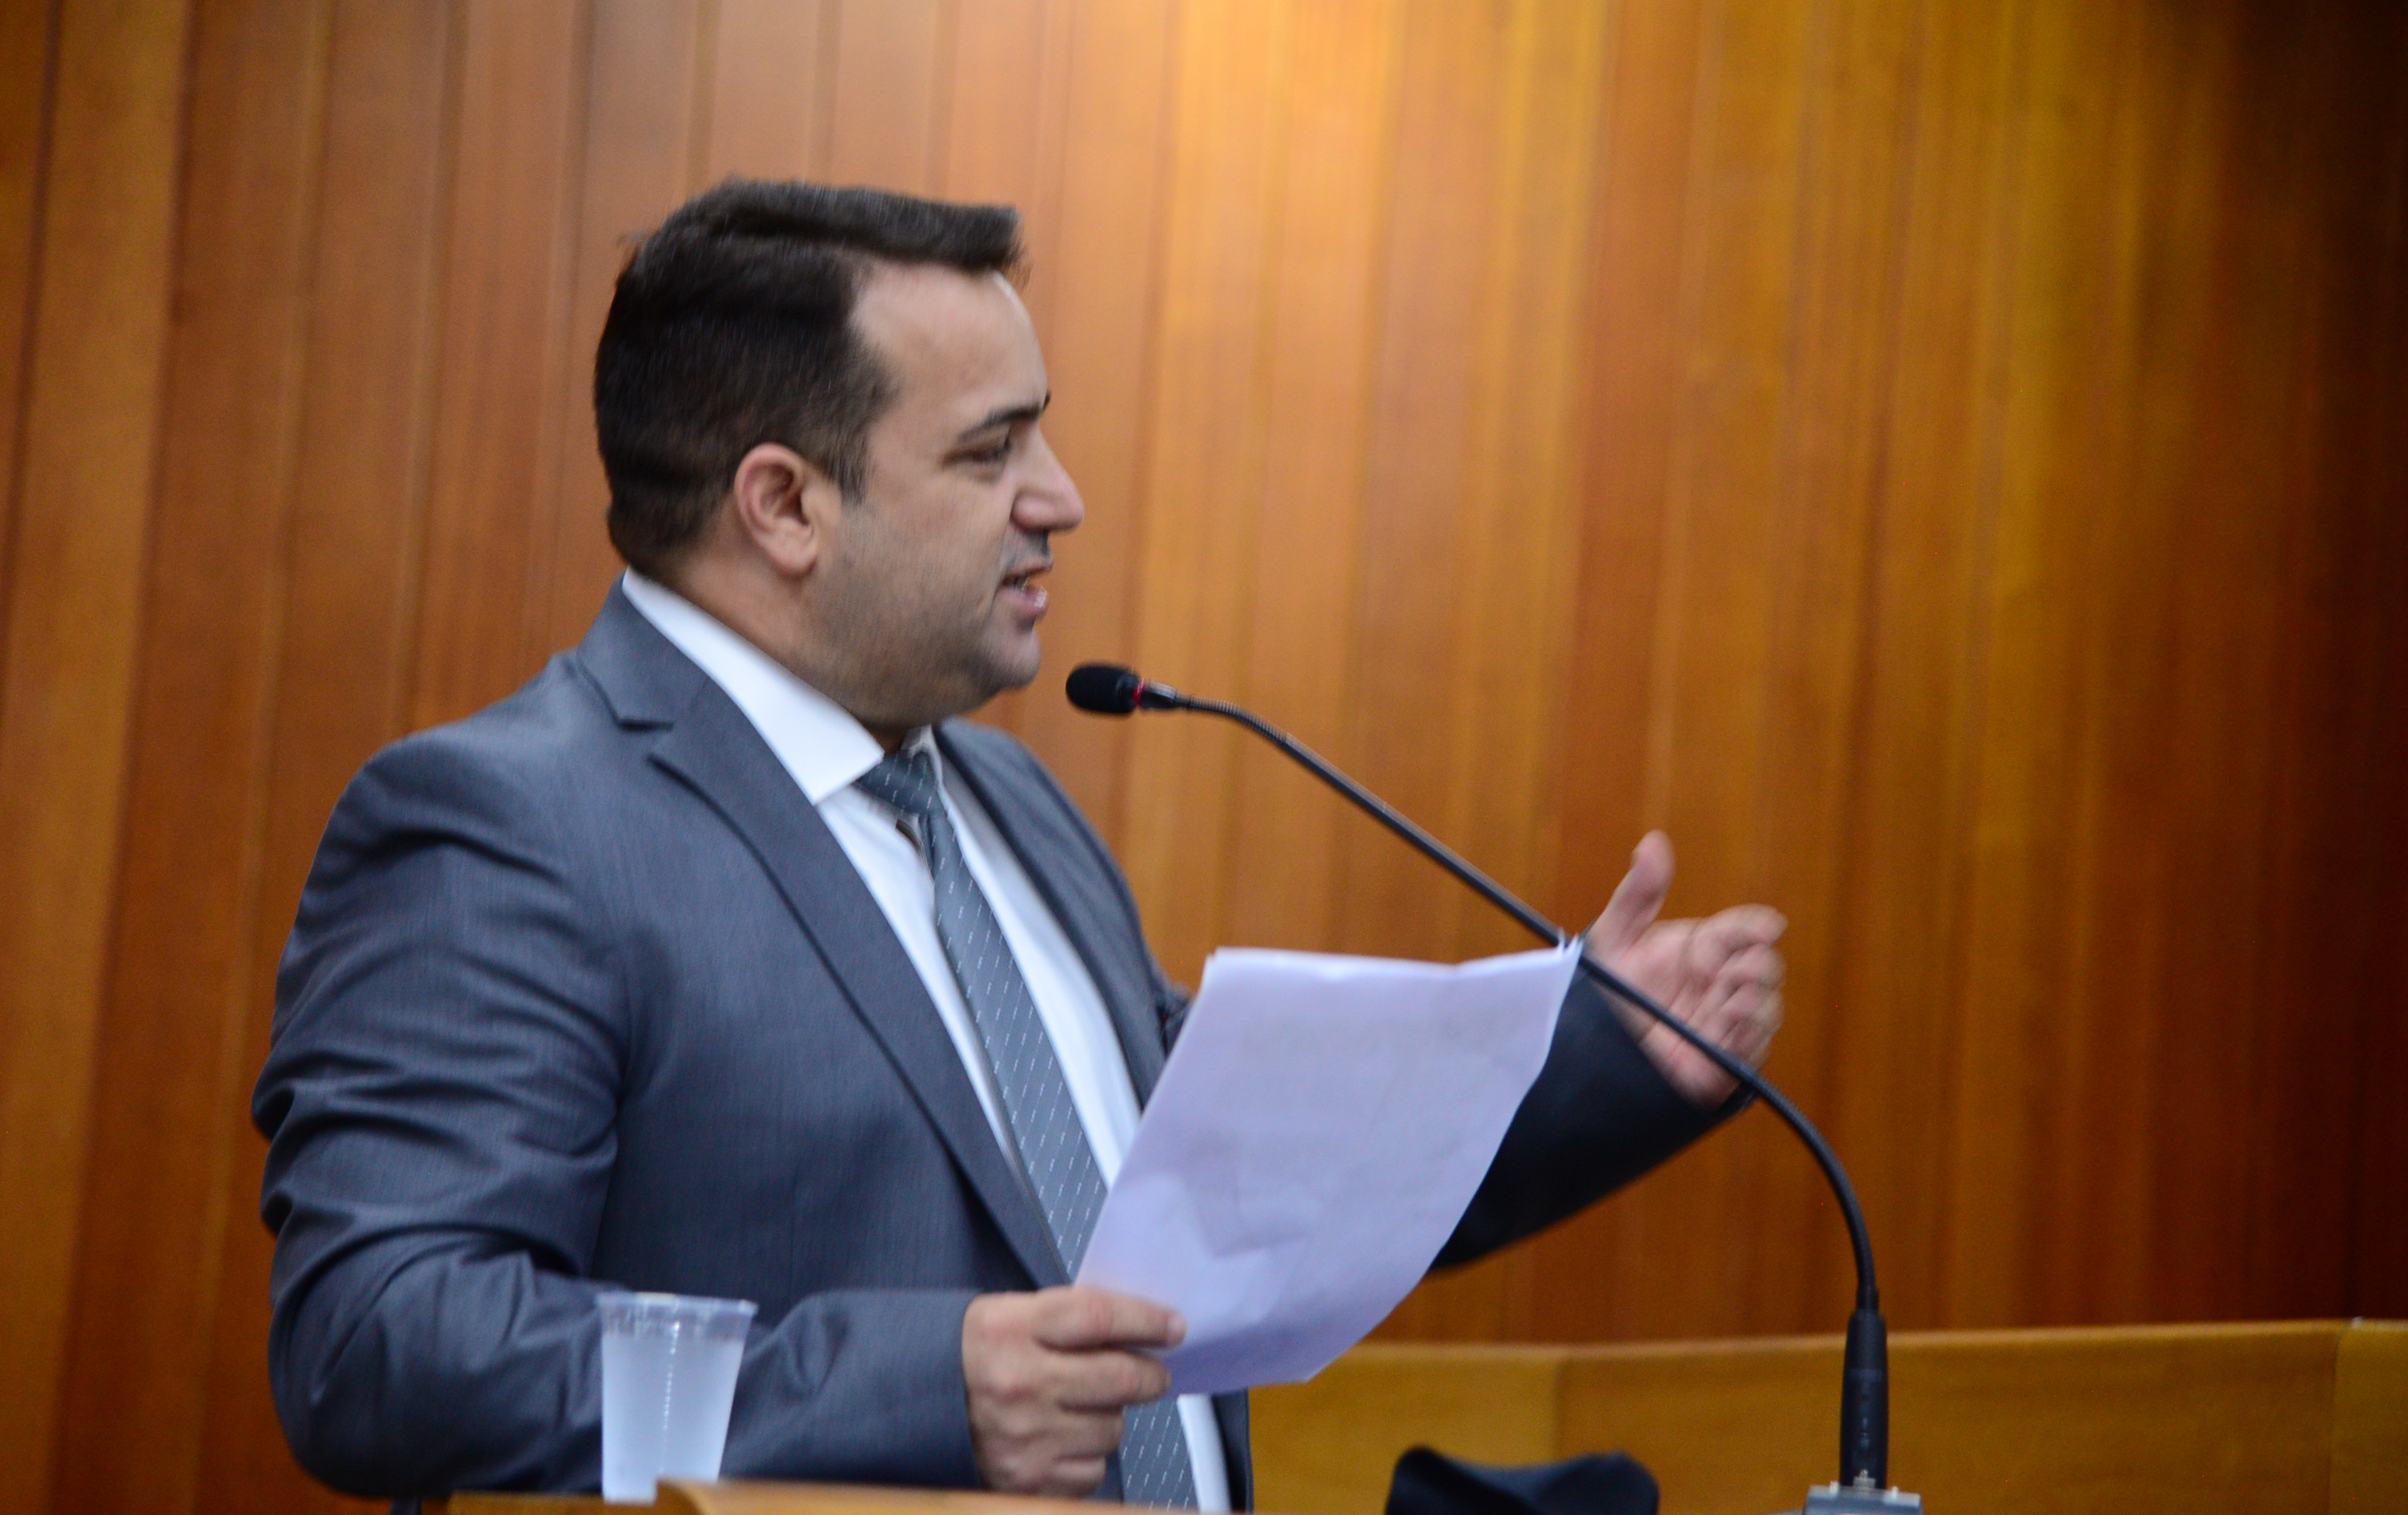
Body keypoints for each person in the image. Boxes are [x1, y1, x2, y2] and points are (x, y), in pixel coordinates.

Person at [254, 180, 1786, 1509]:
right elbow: (381, 1339)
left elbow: (1222, 1186)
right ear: (784, 505)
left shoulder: (1004, 800)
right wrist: (918, 1388)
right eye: (993, 453)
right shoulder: (509, 830)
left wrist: (1598, 1057)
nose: (1063, 499)